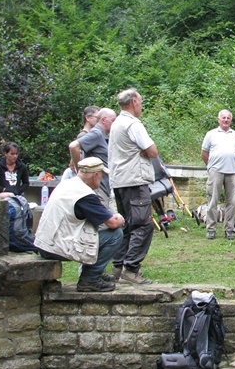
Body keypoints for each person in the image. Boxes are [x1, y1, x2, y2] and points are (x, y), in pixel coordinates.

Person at [34, 157, 125, 292]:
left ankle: (95, 274)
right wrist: (120, 218)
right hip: (57, 247)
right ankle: (90, 279)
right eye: (101, 175)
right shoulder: (85, 195)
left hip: (44, 243)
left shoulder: (67, 184)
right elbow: (112, 223)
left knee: (98, 234)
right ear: (95, 175)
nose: (102, 179)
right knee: (115, 235)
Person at [108, 88, 158, 285]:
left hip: (120, 180)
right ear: (133, 103)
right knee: (143, 224)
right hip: (134, 180)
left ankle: (117, 267)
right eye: (141, 101)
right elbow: (152, 151)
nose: (142, 105)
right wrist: (142, 151)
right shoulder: (132, 124)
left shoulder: (116, 123)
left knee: (127, 225)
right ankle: (131, 269)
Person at [201, 109, 235, 240]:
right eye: (223, 118)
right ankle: (211, 229)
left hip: (232, 172)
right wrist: (211, 166)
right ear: (218, 119)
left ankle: (229, 229)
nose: (226, 120)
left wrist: (232, 162)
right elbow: (204, 153)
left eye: (228, 118)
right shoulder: (211, 134)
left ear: (231, 120)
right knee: (213, 200)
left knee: (231, 202)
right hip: (216, 171)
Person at [69, 108, 117, 211]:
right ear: (103, 120)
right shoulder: (96, 133)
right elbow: (73, 146)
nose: (115, 123)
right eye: (113, 120)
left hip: (105, 186)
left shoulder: (103, 136)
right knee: (104, 224)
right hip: (98, 188)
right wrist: (80, 170)